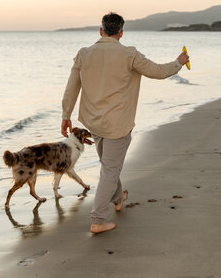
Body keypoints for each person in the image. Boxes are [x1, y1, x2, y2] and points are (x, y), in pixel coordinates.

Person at [61, 12, 189, 233]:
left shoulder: (84, 54)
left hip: (94, 122)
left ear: (101, 31)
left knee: (109, 165)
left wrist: (66, 115)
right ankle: (98, 219)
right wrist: (179, 62)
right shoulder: (129, 55)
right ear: (121, 33)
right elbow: (158, 72)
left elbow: (71, 87)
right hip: (118, 124)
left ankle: (118, 198)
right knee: (110, 169)